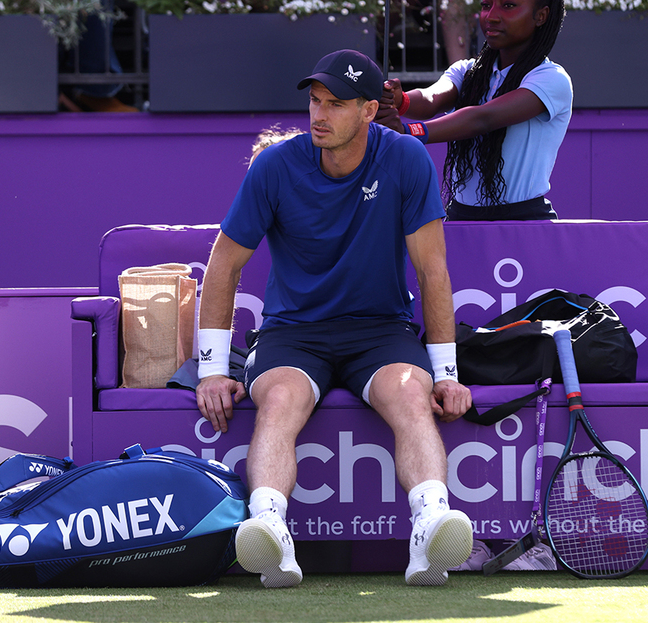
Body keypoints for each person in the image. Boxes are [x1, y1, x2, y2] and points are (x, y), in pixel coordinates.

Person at [195, 49, 474, 588]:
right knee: (280, 399)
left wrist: (445, 375)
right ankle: (269, 531)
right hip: (293, 334)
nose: (319, 115)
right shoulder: (275, 166)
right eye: (315, 102)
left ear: (370, 111)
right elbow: (223, 264)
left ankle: (431, 527)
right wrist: (209, 367)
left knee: (411, 395)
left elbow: (432, 271)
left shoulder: (406, 159)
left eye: (336, 105)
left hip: (380, 330)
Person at [375, 0, 571, 221]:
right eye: (486, 5)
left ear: (541, 16)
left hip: (525, 221)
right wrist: (400, 100)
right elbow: (431, 99)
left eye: (508, 6)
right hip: (460, 218)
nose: (491, 16)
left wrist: (407, 131)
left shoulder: (552, 79)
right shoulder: (467, 70)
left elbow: (482, 119)